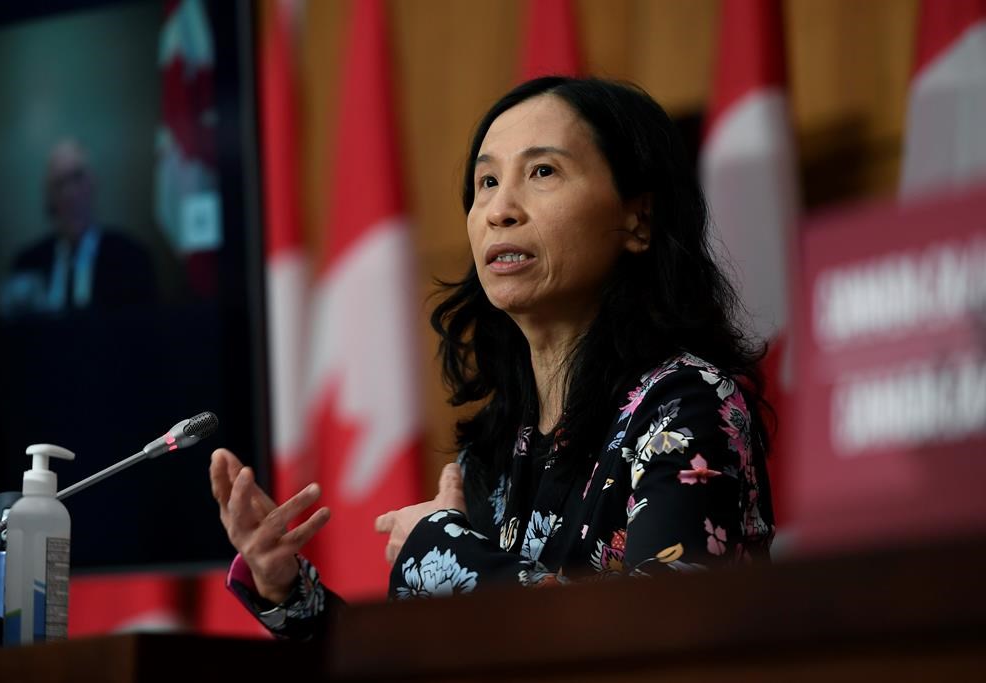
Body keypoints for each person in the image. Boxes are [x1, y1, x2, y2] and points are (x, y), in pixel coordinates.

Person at [210, 76, 775, 638]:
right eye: (485, 181)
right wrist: (287, 589)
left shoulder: (691, 401)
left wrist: (443, 549)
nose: (499, 209)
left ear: (638, 220)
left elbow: (665, 629)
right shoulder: (499, 449)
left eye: (542, 172)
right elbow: (424, 661)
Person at [0, 139, 157, 317]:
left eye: (77, 178)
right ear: (49, 198)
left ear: (93, 183)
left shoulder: (130, 260)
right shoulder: (27, 265)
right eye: (59, 184)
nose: (70, 193)